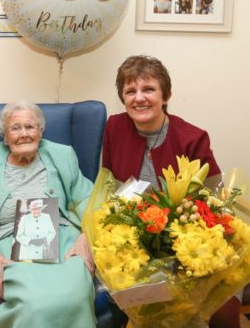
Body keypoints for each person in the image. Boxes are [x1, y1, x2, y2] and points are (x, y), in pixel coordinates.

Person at [102, 55, 240, 328]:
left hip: (190, 241)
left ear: (166, 95)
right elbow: (110, 189)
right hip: (136, 243)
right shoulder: (114, 127)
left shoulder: (193, 137)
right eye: (130, 91)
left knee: (214, 297)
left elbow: (218, 203)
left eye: (148, 89)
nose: (139, 98)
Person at [0, 100, 96, 327]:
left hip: (63, 241)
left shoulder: (62, 155)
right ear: (5, 137)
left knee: (75, 296)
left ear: (41, 131)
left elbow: (90, 199)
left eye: (30, 126)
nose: (24, 134)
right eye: (15, 128)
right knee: (33, 303)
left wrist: (85, 239)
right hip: (10, 246)